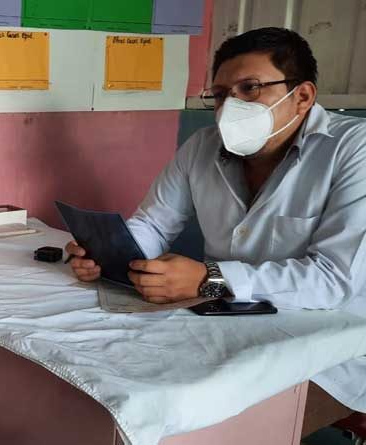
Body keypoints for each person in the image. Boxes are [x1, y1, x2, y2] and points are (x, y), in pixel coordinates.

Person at [67, 27, 366, 430]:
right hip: (218, 325)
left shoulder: (353, 151)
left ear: (303, 97)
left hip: (327, 352)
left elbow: (333, 281)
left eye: (250, 88)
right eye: (222, 94)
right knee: (115, 393)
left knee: (214, 425)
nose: (231, 106)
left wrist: (210, 280)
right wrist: (109, 253)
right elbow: (154, 224)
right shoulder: (201, 148)